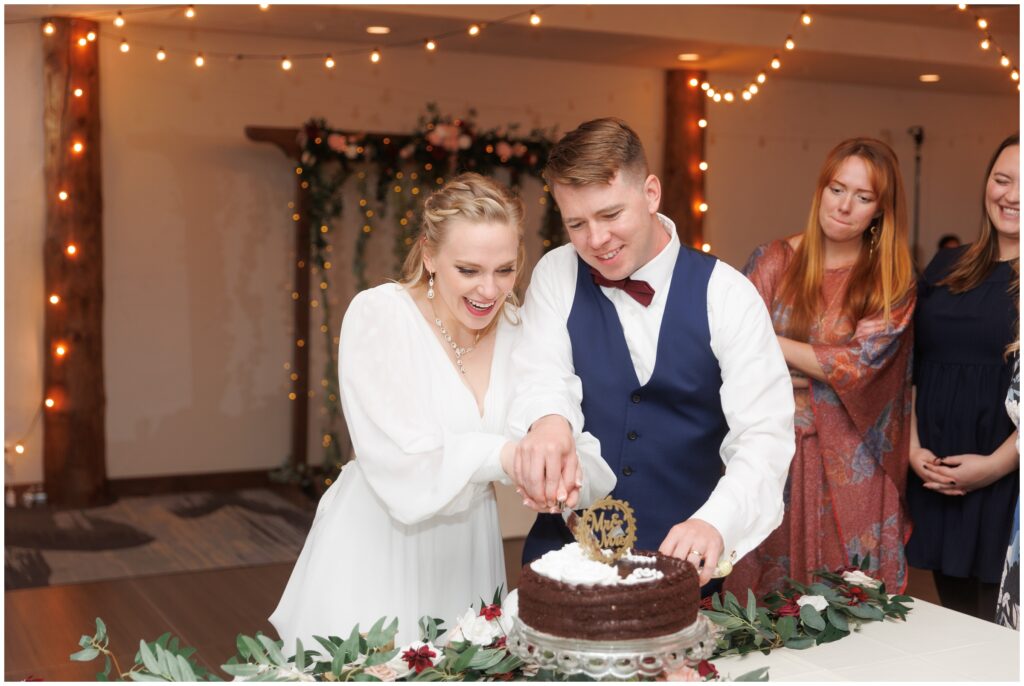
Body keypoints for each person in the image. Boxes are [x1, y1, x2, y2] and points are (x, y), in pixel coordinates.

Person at [270, 173, 615, 648]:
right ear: (430, 255)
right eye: (469, 270)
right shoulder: (380, 317)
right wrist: (511, 458)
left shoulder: (519, 329)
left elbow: (555, 426)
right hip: (379, 542)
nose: (489, 291)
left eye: (505, 270)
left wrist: (563, 469)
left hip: (468, 548)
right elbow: (404, 459)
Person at [507, 117, 796, 590]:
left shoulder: (727, 294)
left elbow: (765, 435)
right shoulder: (556, 273)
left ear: (652, 193)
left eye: (610, 215)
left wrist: (716, 522)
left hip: (683, 562)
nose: (595, 240)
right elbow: (541, 374)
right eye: (576, 223)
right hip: (563, 557)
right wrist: (549, 419)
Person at [726, 138, 917, 597]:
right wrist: (814, 364)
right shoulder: (774, 260)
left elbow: (857, 365)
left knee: (852, 602)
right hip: (773, 451)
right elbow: (729, 346)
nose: (845, 206)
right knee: (767, 603)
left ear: (880, 211)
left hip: (853, 462)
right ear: (821, 190)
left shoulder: (890, 279)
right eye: (837, 189)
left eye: (863, 197)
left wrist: (774, 345)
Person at [907, 134, 1019, 622]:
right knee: (956, 622)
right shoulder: (945, 266)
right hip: (938, 479)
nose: (1011, 195)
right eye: (1002, 179)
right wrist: (911, 448)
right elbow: (910, 365)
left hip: (1005, 483)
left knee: (1003, 632)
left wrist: (994, 466)